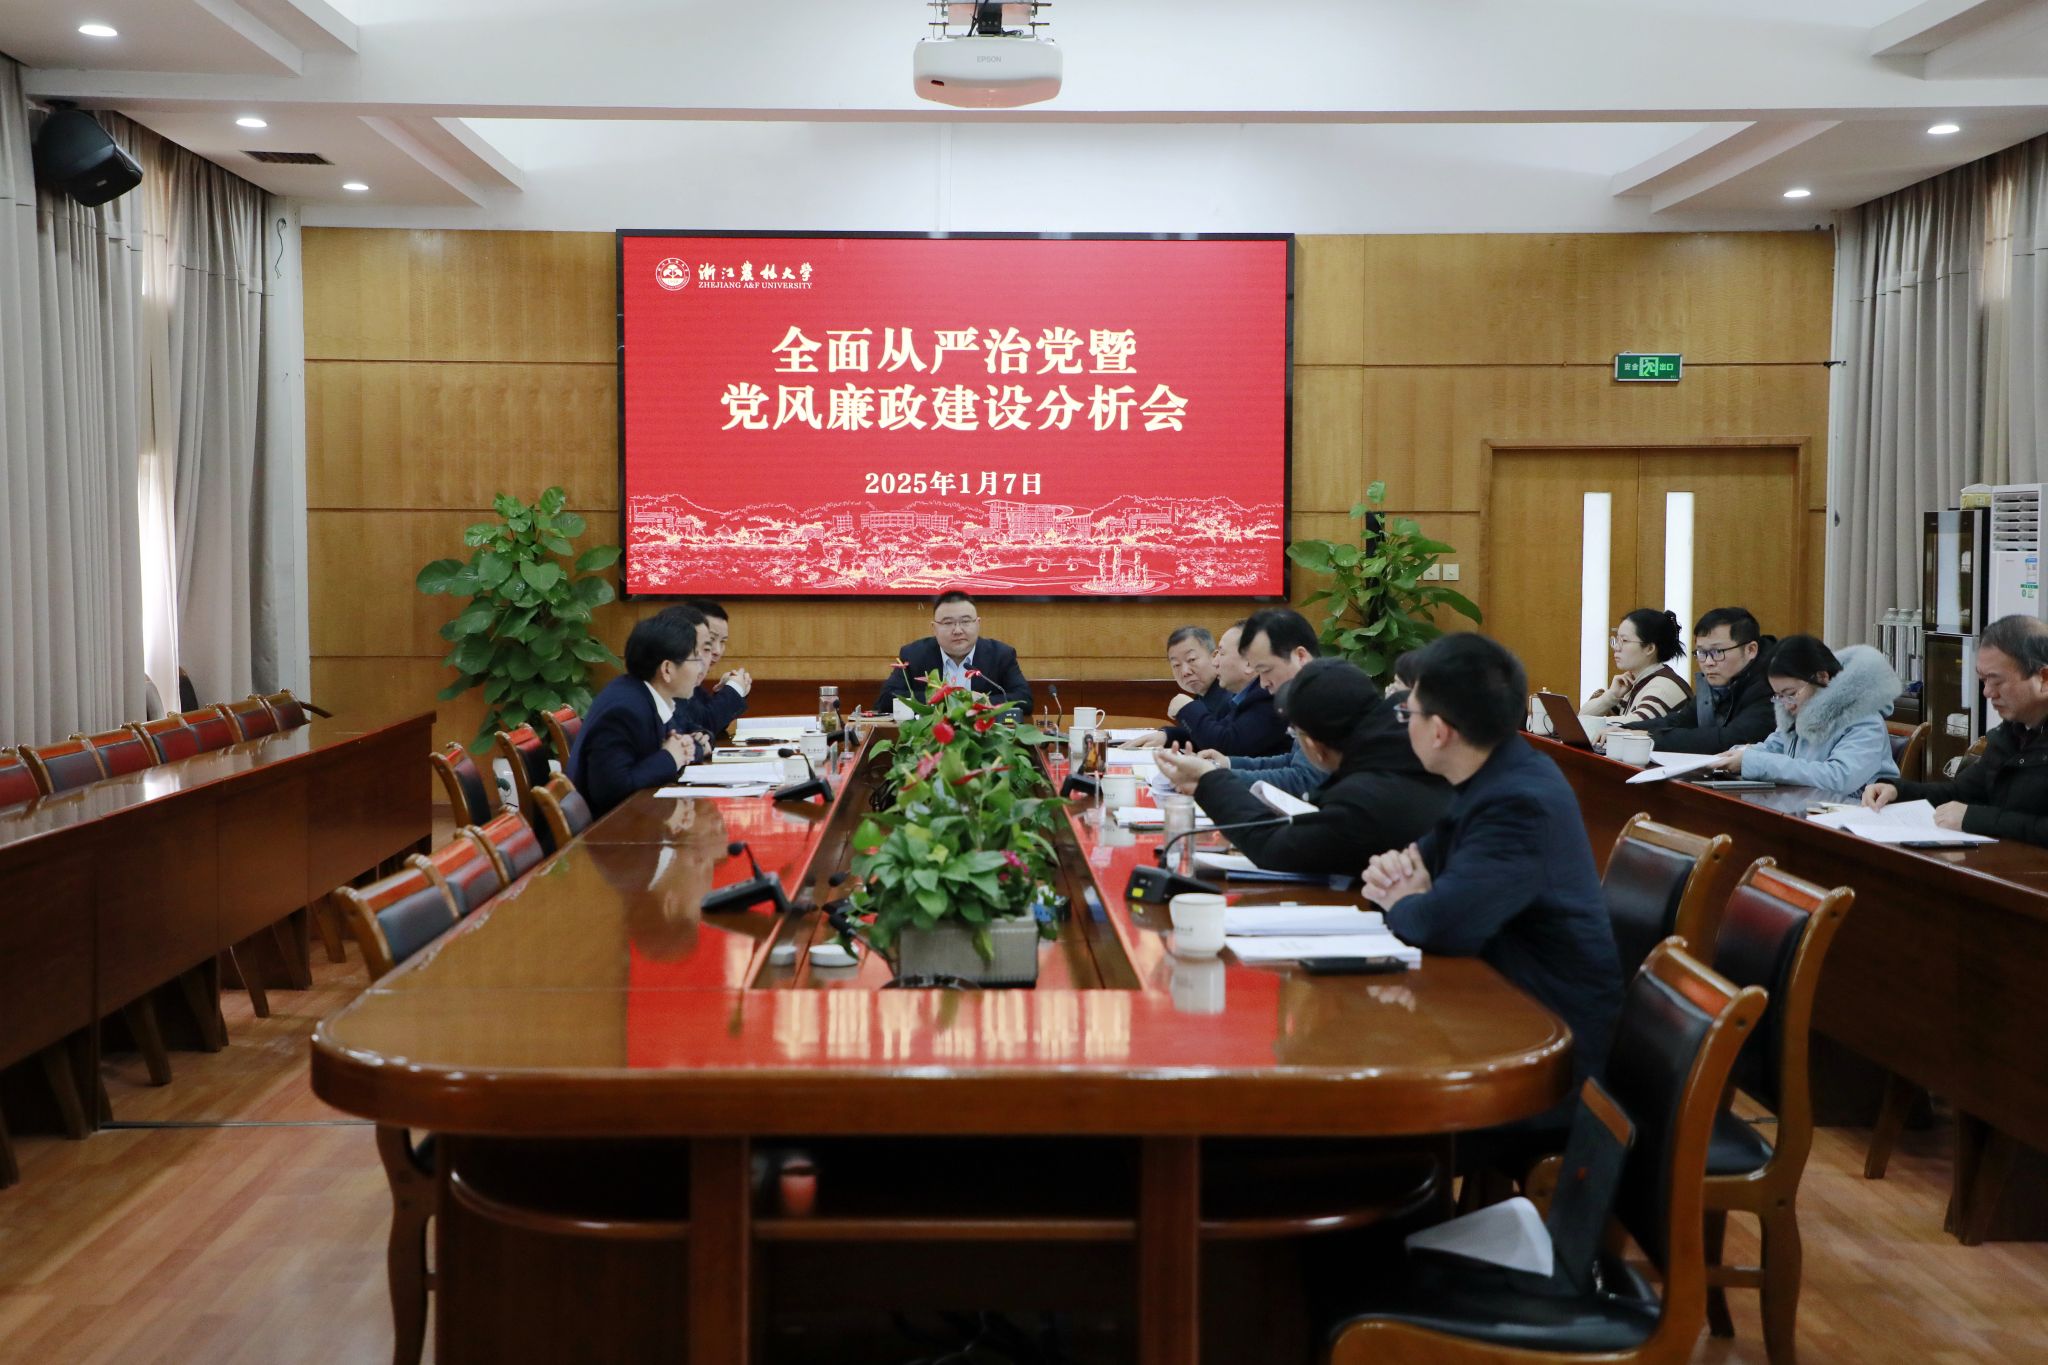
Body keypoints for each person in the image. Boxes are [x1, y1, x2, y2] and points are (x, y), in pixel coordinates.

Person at [1362, 633, 1622, 1092]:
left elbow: (1440, 924)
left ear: (1439, 731)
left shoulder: (1518, 802)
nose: (1404, 725)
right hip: (1494, 1007)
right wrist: (1402, 885)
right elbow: (1417, 867)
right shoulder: (1499, 773)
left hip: (1545, 1053)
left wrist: (1402, 899)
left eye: (1408, 714)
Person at [1189, 659, 1451, 876]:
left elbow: (1273, 849)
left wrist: (1208, 779)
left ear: (1314, 746)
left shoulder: (1363, 798)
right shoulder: (1411, 743)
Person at [1865, 614, 2048, 841]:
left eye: (1997, 681)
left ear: (2044, 678)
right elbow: (1960, 793)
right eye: (1983, 680)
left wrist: (1975, 818)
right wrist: (1897, 791)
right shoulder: (2011, 734)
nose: (1987, 692)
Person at [1156, 607, 1321, 794]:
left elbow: (1304, 780)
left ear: (1300, 657)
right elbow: (1289, 761)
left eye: (1266, 670)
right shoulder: (1308, 693)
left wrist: (1213, 777)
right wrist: (1226, 764)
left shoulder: (1325, 696)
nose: (1263, 683)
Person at [1705, 636, 1899, 791]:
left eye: (1790, 694)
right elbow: (1773, 748)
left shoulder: (1865, 720)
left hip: (1854, 816)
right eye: (1779, 696)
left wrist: (1756, 762)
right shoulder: (1798, 713)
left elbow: (1839, 777)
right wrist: (1739, 755)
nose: (1786, 705)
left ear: (1821, 677)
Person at [565, 614, 707, 817]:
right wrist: (670, 758)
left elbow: (672, 746)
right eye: (695, 659)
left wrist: (683, 750)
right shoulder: (625, 710)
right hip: (608, 830)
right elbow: (610, 791)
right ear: (667, 669)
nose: (700, 669)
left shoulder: (642, 695)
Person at [1611, 606, 1776, 755]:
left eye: (1718, 652)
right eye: (1701, 653)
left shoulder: (1773, 684)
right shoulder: (1718, 682)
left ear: (1750, 650)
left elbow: (1730, 739)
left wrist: (1650, 737)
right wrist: (1624, 730)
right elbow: (1680, 720)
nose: (1708, 662)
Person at [1128, 620, 1287, 755]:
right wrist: (1168, 736)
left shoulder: (1265, 695)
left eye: (1221, 654)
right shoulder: (1243, 694)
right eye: (1176, 665)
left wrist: (1188, 708)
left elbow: (1224, 745)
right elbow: (1217, 733)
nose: (1215, 662)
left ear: (1249, 663)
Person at [875, 589, 1034, 718]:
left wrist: (980, 701)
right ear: (934, 628)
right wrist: (946, 698)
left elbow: (1024, 700)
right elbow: (886, 699)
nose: (957, 630)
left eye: (965, 621)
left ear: (977, 624)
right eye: (948, 623)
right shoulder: (914, 654)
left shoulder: (1000, 655)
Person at [1580, 608, 1692, 724]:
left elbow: (1634, 725)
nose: (1616, 647)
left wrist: (1587, 723)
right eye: (1617, 640)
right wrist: (1612, 695)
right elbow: (1580, 720)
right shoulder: (1636, 682)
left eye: (1624, 640)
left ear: (1650, 648)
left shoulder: (1664, 687)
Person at [672, 599, 750, 738]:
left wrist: (724, 691)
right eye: (710, 640)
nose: (717, 651)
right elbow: (705, 725)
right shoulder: (673, 677)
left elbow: (708, 722)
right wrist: (735, 688)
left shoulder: (694, 681)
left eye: (723, 641)